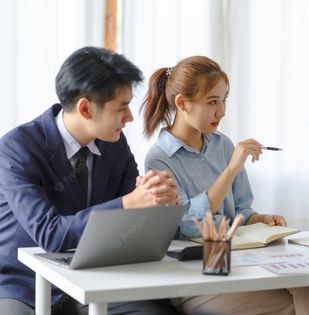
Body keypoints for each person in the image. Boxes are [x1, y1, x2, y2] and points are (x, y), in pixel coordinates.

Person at [142, 55, 309, 315]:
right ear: (183, 104)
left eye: (224, 100)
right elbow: (189, 224)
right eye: (212, 101)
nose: (222, 111)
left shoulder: (222, 144)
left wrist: (259, 218)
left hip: (241, 265)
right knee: (298, 305)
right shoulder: (159, 158)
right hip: (198, 278)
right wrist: (232, 168)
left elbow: (241, 211)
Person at [0, 46, 180, 315]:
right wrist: (131, 203)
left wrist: (158, 205)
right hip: (24, 284)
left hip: (95, 279)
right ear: (85, 108)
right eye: (122, 107)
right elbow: (50, 233)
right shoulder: (17, 148)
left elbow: (132, 222)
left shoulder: (114, 145)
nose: (130, 117)